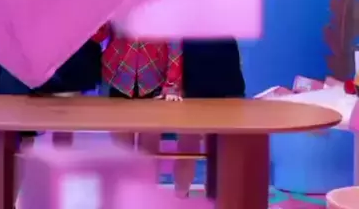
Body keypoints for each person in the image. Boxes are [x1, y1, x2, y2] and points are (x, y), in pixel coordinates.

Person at [92, 23, 182, 153]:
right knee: (122, 152)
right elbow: (98, 36)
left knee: (149, 153)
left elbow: (175, 43)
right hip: (117, 77)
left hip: (155, 77)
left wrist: (171, 83)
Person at [173, 38, 246, 198]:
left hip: (227, 84)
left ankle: (217, 197)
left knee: (222, 151)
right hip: (191, 86)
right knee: (187, 149)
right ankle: (180, 196)